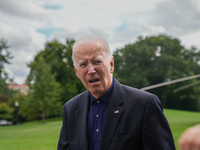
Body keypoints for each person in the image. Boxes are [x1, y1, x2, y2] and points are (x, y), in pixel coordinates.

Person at [57, 36, 175, 150]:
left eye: (97, 61)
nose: (91, 70)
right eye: (83, 64)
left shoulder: (144, 105)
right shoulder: (70, 109)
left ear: (111, 65)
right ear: (77, 71)